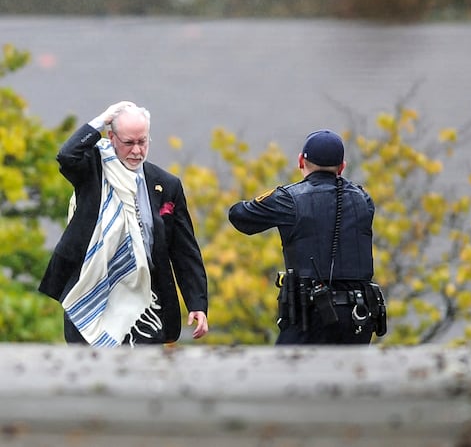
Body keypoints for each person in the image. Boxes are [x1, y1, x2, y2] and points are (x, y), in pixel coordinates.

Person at [39, 101, 209, 346]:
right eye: (129, 143)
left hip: (146, 302)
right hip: (96, 293)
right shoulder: (93, 171)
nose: (137, 151)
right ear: (112, 137)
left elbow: (184, 250)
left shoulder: (167, 184)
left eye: (143, 141)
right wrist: (102, 119)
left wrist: (197, 303)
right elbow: (67, 156)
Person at [228, 129, 386, 344]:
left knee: (287, 373)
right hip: (358, 317)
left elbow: (240, 216)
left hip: (310, 317)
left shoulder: (290, 199)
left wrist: (276, 197)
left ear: (301, 161)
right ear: (342, 167)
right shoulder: (363, 199)